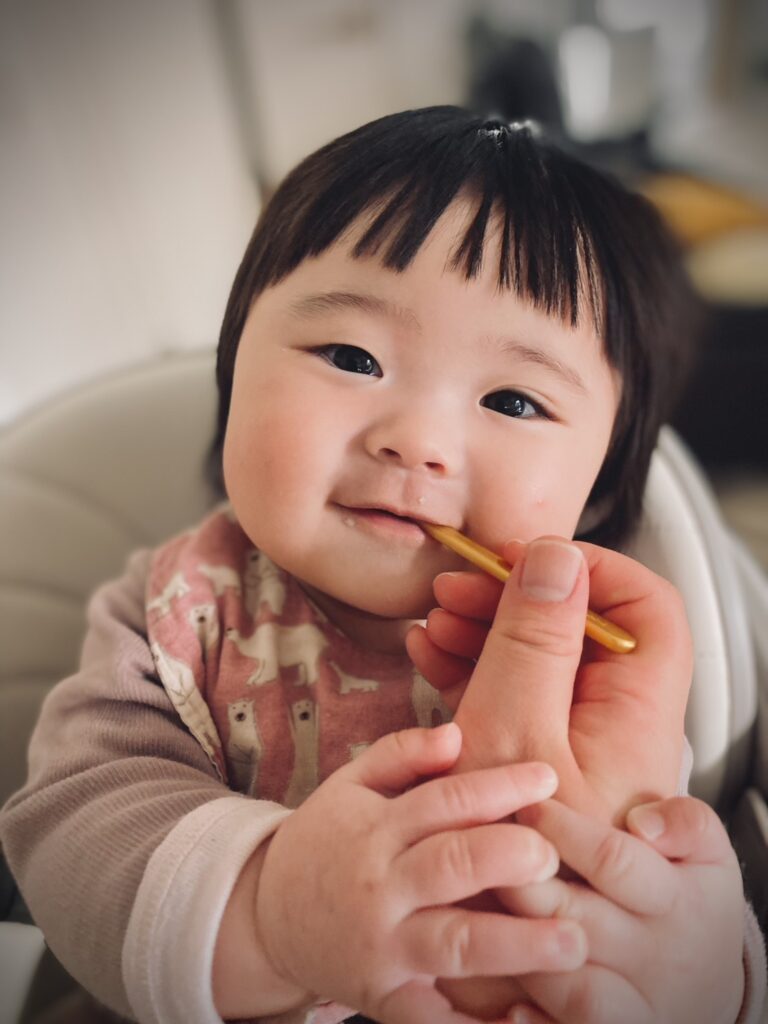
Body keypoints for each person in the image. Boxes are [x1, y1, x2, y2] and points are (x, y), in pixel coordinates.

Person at [0, 106, 763, 1024]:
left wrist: (701, 976)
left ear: (598, 492)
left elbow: (664, 866)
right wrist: (271, 914)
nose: (418, 442)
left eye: (514, 400)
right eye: (354, 356)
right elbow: (71, 832)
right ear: (234, 374)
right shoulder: (176, 613)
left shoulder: (608, 677)